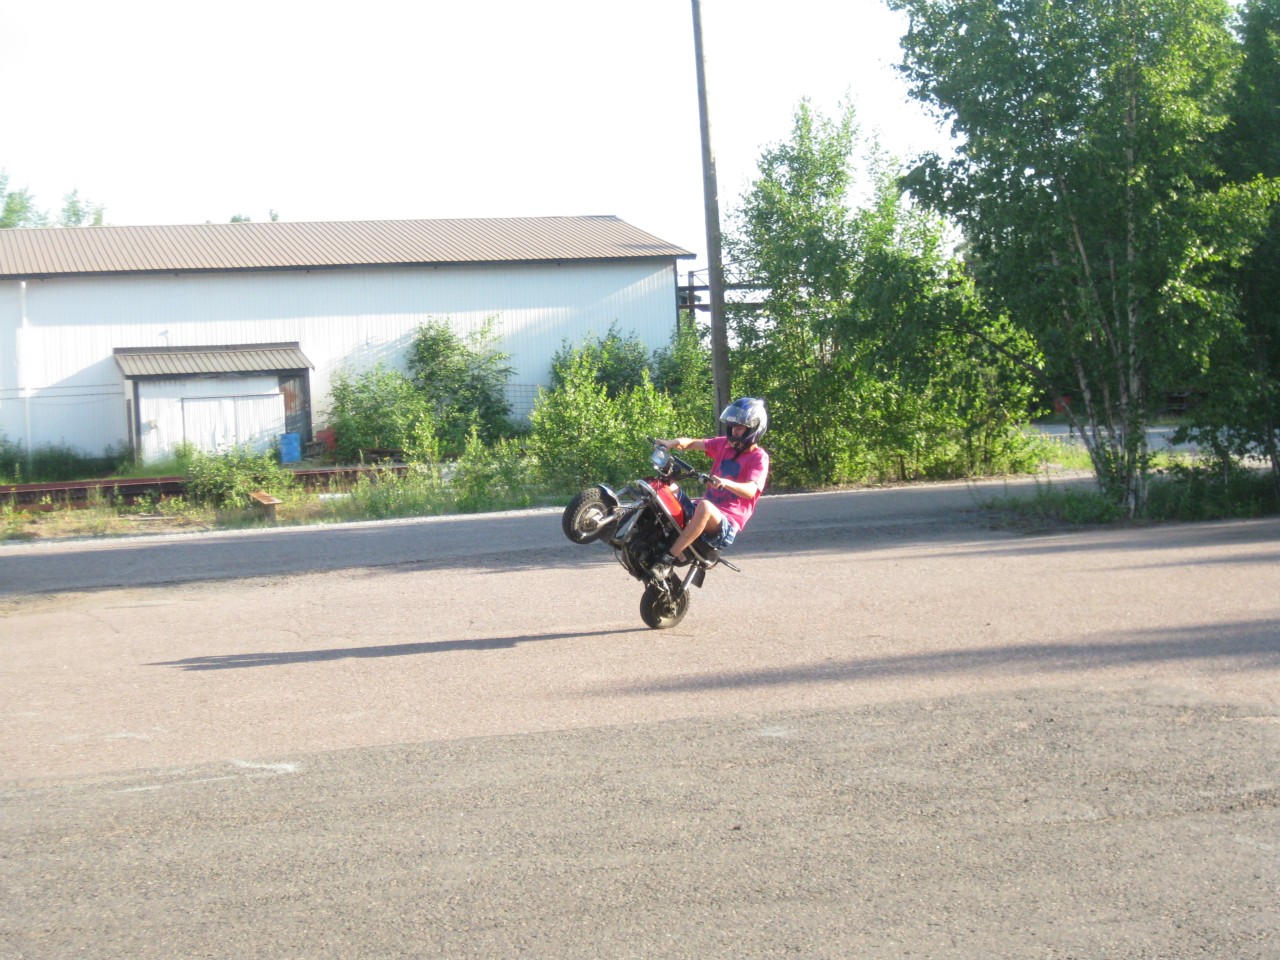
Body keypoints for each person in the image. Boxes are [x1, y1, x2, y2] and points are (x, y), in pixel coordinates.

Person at [651, 397, 770, 580]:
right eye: (732, 426)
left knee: (705, 507)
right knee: (665, 488)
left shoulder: (758, 457)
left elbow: (751, 490)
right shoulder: (724, 445)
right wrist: (670, 443)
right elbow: (692, 443)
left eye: (739, 428)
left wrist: (725, 483)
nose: (734, 431)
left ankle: (666, 560)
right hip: (702, 509)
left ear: (754, 428)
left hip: (725, 524)